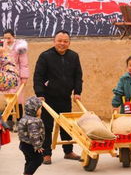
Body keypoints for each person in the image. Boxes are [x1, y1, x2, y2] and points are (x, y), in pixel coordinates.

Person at [33, 30, 83, 164]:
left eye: (65, 41)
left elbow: (78, 76)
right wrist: (40, 94)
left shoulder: (74, 56)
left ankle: (68, 151)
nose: (62, 43)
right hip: (48, 98)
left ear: (69, 43)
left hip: (65, 97)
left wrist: (77, 92)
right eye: (59, 41)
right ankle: (46, 154)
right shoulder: (45, 56)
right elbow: (38, 77)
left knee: (67, 126)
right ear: (54, 41)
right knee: (47, 126)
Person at [3, 29, 29, 129]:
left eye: (9, 38)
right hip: (5, 78)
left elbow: (24, 63)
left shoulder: (20, 47)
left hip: (16, 77)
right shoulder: (2, 47)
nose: (7, 40)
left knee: (18, 100)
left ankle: (19, 123)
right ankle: (9, 123)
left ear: (14, 37)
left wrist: (24, 77)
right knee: (7, 100)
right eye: (5, 38)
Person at [18, 96, 45, 175]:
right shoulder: (33, 121)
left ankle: (26, 172)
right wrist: (38, 146)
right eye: (40, 108)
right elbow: (34, 134)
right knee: (38, 160)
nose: (41, 110)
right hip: (31, 145)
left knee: (29, 160)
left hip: (23, 144)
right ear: (34, 109)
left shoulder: (24, 118)